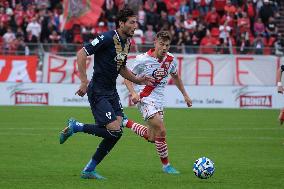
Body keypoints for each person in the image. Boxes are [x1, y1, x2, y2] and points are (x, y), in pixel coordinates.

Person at [59, 8, 154, 179]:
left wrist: (138, 80)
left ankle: (89, 170)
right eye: (132, 22)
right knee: (114, 130)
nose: (135, 26)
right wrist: (83, 81)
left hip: (111, 92)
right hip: (98, 91)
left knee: (116, 134)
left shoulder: (127, 43)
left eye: (136, 22)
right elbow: (82, 53)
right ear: (121, 23)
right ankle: (76, 127)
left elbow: (122, 67)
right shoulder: (107, 38)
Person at [123, 31, 192, 174]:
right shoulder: (142, 60)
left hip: (159, 101)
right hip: (144, 98)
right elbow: (127, 78)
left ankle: (125, 122)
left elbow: (176, 77)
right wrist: (134, 93)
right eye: (162, 44)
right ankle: (166, 166)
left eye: (167, 45)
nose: (164, 48)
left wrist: (185, 95)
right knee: (161, 129)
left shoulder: (171, 60)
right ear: (155, 43)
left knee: (152, 137)